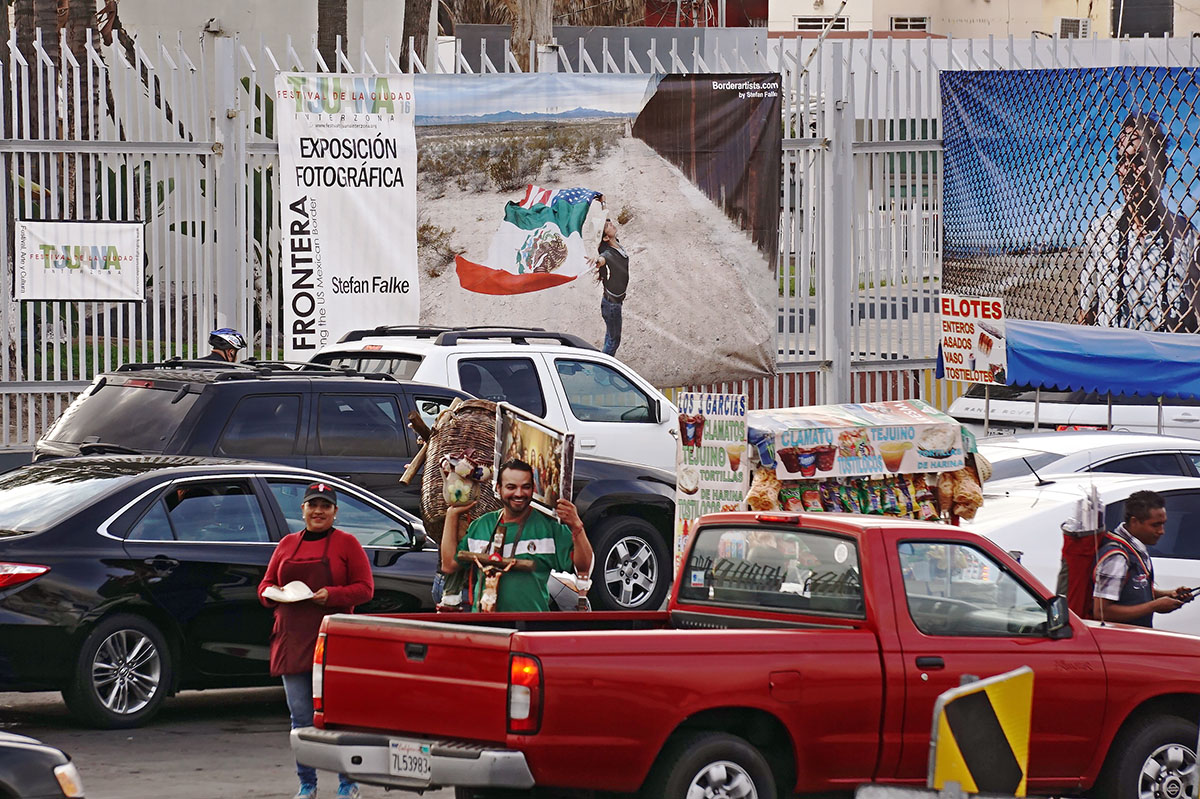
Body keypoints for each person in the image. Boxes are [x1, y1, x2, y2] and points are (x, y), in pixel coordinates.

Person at [258, 482, 373, 799]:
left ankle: (348, 784)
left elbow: (365, 589)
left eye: (325, 506)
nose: (318, 511)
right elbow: (265, 584)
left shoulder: (347, 544)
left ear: (335, 512)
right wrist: (272, 595)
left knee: (338, 718)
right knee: (301, 720)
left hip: (333, 639)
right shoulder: (286, 544)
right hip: (291, 639)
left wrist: (332, 595)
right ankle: (306, 784)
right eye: (313, 505)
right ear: (303, 509)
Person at [1076, 111, 1200, 333]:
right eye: (1122, 160)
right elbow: (1086, 312)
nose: (1128, 171)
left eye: (1139, 160)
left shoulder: (1187, 236)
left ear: (1161, 166)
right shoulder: (1101, 232)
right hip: (1111, 359)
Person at [440, 458, 593, 612]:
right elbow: (449, 565)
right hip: (485, 627)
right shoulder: (482, 525)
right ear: (499, 488)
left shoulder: (549, 527)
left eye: (525, 487)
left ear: (533, 488)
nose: (519, 493)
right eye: (511, 487)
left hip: (531, 628)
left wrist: (577, 527)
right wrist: (451, 515)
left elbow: (583, 567)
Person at [1092, 490, 1192, 627]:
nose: (1162, 531)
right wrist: (1154, 606)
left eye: (1163, 524)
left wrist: (1169, 594)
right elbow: (1102, 612)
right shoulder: (1117, 557)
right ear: (1134, 522)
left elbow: (1133, 592)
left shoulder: (1136, 549)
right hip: (1120, 642)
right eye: (1155, 525)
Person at [593, 218, 629, 356]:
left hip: (611, 302)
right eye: (608, 226)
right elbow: (601, 260)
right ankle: (604, 368)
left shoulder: (616, 244)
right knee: (613, 341)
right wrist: (596, 261)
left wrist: (603, 203)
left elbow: (604, 216)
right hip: (612, 305)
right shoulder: (608, 254)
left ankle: (603, 362)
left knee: (610, 337)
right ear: (606, 237)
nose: (611, 224)